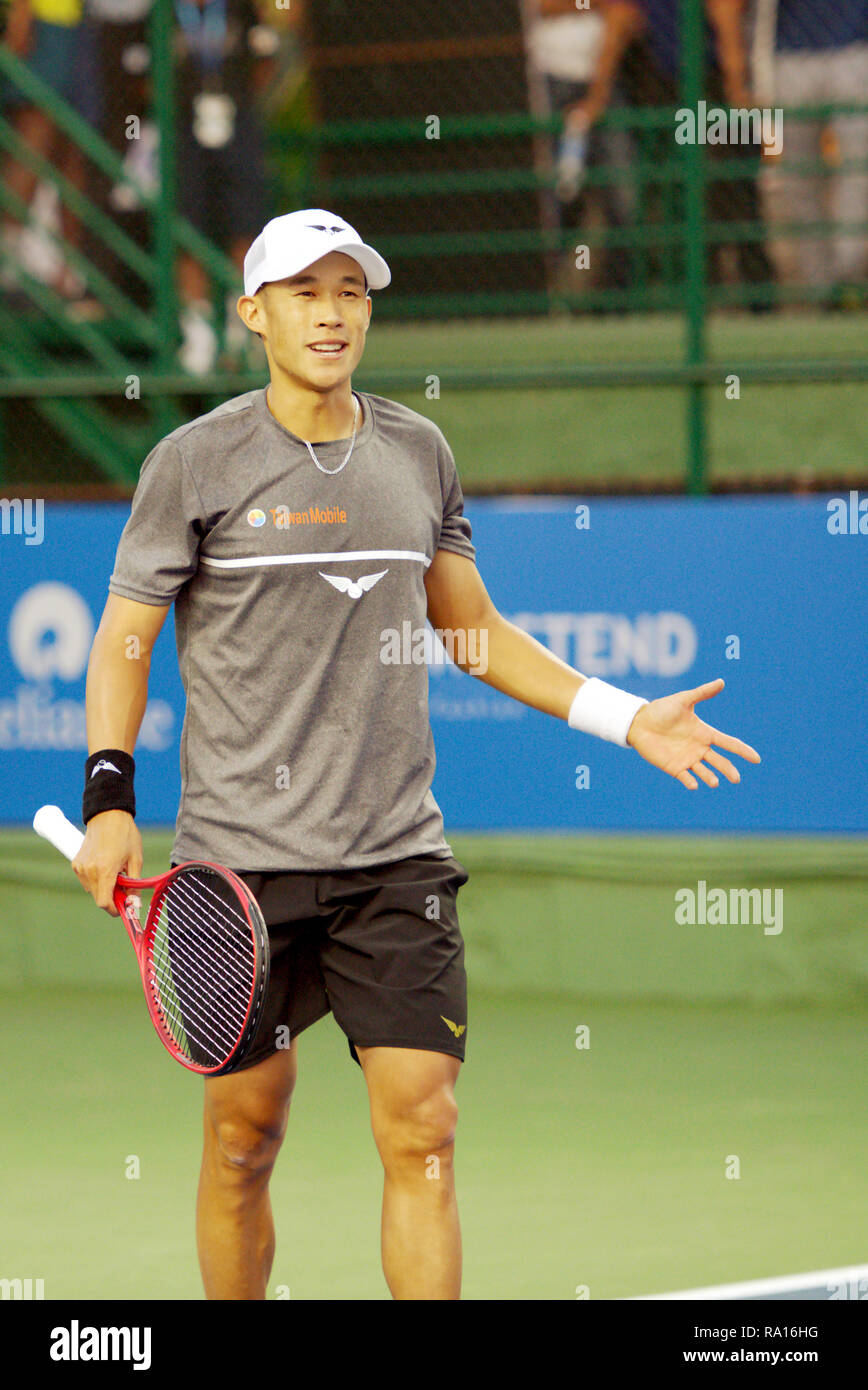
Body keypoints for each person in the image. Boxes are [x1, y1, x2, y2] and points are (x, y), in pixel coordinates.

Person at [71, 208, 761, 1300]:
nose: (332, 312)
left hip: (394, 859)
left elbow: (470, 629)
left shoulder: (416, 451)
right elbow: (123, 640)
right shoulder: (191, 463)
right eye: (304, 291)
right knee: (243, 1138)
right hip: (234, 869)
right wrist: (110, 792)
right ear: (253, 312)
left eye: (351, 290)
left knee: (425, 1129)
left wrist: (622, 715)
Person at [573, 0, 776, 309]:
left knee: (722, 193)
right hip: (684, 89)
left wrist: (736, 90)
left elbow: (724, 15)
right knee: (710, 195)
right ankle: (712, 299)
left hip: (698, 88)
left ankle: (740, 299)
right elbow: (623, 18)